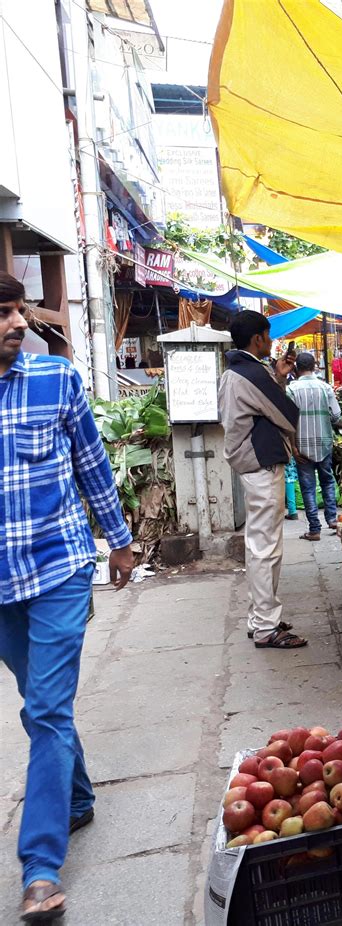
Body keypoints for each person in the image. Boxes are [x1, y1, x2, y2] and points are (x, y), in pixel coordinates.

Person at [0, 272, 134, 921]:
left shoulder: (56, 380)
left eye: (18, 310)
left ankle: (41, 866)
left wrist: (120, 541)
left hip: (58, 569)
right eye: (3, 314)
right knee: (39, 704)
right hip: (1, 590)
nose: (18, 323)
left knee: (47, 709)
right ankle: (77, 797)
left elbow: (91, 464)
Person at [219, 310, 307, 650]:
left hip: (251, 464)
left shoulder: (234, 373)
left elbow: (266, 408)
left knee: (262, 545)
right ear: (257, 339)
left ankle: (261, 617)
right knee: (265, 548)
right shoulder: (253, 373)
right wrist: (277, 381)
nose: (270, 343)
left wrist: (279, 377)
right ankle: (267, 625)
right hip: (261, 465)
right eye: (268, 337)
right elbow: (287, 413)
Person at [287, 353, 341, 541]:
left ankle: (314, 529)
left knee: (308, 488)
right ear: (315, 366)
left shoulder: (291, 390)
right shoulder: (325, 388)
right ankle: (332, 519)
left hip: (301, 446)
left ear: (296, 369)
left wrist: (293, 447)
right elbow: (336, 415)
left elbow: (288, 421)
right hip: (324, 443)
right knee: (327, 482)